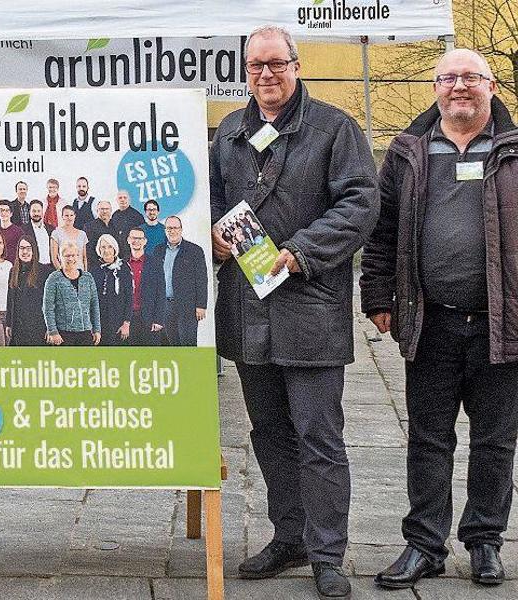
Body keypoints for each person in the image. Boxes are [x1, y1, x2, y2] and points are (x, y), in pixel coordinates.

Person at [209, 26, 378, 600]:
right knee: (269, 433)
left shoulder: (336, 129)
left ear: (296, 65)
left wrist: (301, 252)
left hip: (310, 307)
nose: (266, 75)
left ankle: (328, 553)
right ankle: (290, 536)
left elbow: (360, 203)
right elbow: (209, 195)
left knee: (319, 436)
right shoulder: (231, 129)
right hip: (248, 308)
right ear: (245, 71)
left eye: (276, 64)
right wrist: (212, 233)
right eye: (255, 66)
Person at [361, 49, 518, 590]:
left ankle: (484, 542)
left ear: (491, 86)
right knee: (428, 439)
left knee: (495, 440)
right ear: (435, 87)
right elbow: (381, 234)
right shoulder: (408, 153)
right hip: (431, 323)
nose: (459, 87)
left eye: (470, 78)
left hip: (502, 324)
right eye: (448, 78)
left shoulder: (514, 151)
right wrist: (379, 297)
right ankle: (424, 544)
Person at [140, 216, 208, 347]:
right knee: (172, 344)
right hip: (165, 306)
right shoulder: (158, 250)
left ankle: (189, 367)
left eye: (175, 228)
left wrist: (201, 305)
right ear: (165, 230)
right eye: (169, 228)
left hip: (187, 306)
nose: (172, 231)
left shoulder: (194, 251)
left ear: (181, 229)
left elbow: (201, 279)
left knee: (187, 343)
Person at [42, 242, 100, 346]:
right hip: (63, 334)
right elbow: (48, 307)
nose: (71, 259)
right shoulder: (53, 278)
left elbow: (94, 305)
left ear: (78, 256)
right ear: (60, 257)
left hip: (85, 332)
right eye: (67, 256)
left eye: (73, 255)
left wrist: (97, 329)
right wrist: (53, 331)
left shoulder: (88, 277)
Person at [5, 238, 51, 346]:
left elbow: (51, 303)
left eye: (28, 248)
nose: (25, 252)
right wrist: (9, 324)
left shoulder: (45, 271)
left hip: (39, 326)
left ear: (34, 250)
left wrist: (51, 328)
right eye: (22, 248)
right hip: (18, 326)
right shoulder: (13, 271)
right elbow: (10, 299)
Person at [90, 234, 133, 346]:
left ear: (115, 248)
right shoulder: (94, 270)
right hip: (100, 324)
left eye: (109, 247)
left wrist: (126, 323)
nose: (106, 250)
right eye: (103, 247)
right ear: (99, 249)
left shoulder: (123, 268)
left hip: (119, 323)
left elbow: (129, 297)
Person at [124, 227, 152, 345]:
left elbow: (160, 292)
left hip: (148, 316)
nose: (136, 241)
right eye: (133, 238)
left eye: (140, 238)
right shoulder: (122, 263)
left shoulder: (154, 263)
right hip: (127, 317)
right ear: (128, 240)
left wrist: (159, 319)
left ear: (145, 241)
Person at [51, 205, 88, 270]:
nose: (69, 218)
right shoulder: (56, 233)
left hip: (80, 271)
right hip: (64, 272)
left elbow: (84, 257)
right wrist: (62, 273)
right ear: (62, 217)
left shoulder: (82, 234)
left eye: (71, 215)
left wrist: (85, 273)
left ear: (75, 216)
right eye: (66, 215)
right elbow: (54, 257)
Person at [21, 199, 54, 267]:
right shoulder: (23, 230)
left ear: (42, 212)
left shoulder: (51, 229)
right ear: (29, 212)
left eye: (38, 211)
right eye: (34, 211)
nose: (36, 214)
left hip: (51, 267)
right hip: (33, 268)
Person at [83, 199, 116, 267]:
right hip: (97, 265)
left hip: (115, 264)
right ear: (97, 211)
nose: (104, 211)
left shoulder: (117, 225)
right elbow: (88, 250)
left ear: (111, 210)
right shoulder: (89, 227)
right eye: (102, 209)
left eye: (107, 209)